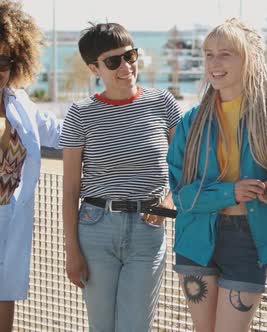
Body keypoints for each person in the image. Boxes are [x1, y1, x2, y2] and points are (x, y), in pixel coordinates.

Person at [167, 18, 267, 332]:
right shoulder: (191, 121)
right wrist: (229, 192)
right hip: (195, 239)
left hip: (248, 237)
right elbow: (181, 194)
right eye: (208, 54)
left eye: (225, 54)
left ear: (249, 58)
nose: (214, 63)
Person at [60, 22, 182, 331]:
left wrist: (166, 204)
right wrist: (72, 252)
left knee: (135, 327)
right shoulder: (80, 113)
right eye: (113, 61)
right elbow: (71, 188)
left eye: (130, 56)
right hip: (95, 230)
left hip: (147, 232)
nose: (126, 66)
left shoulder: (163, 103)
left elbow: (187, 165)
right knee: (101, 326)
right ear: (94, 68)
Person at [0, 1, 62, 330]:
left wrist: (109, 124)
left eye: (3, 61)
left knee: (4, 298)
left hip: (9, 219)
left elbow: (64, 134)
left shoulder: (20, 103)